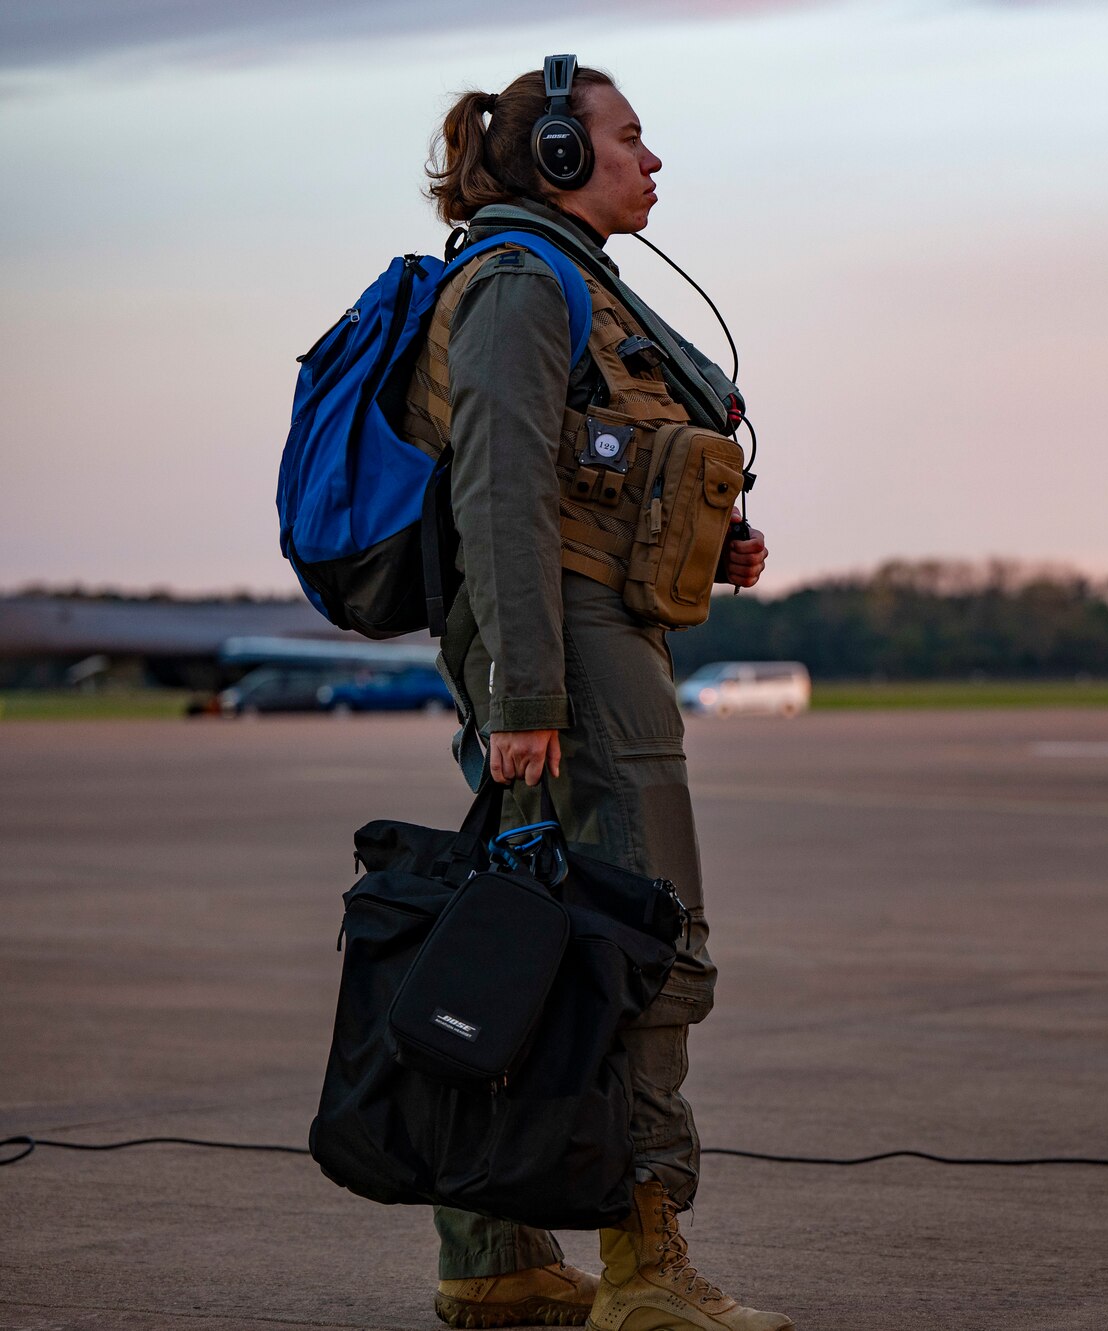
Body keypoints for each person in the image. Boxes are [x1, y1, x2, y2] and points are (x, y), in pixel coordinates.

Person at [407, 61, 791, 1331]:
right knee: (644, 938)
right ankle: (646, 1269)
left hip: (581, 631)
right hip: (561, 650)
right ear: (560, 156)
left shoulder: (574, 285)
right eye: (629, 138)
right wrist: (528, 690)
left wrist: (704, 545)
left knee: (535, 936)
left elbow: (587, 478)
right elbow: (497, 494)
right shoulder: (522, 285)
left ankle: (493, 1252)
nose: (652, 159)